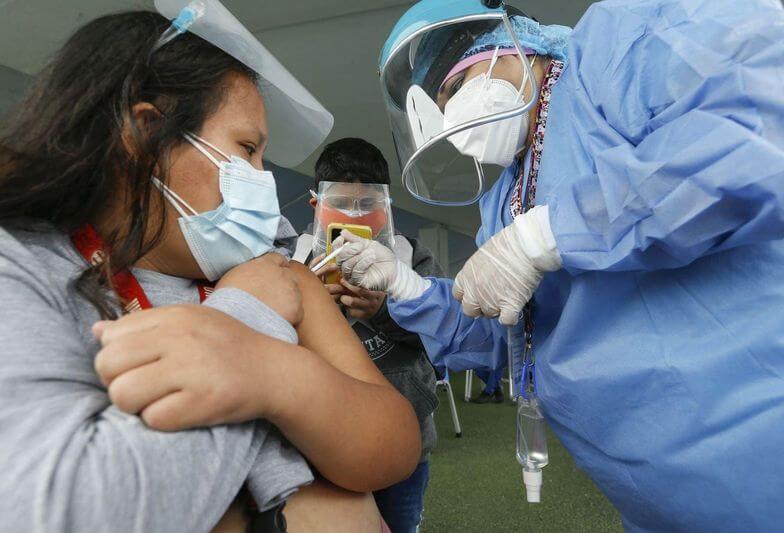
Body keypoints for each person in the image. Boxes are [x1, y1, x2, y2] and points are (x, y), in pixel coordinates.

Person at [334, 0, 784, 530]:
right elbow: (504, 332)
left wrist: (552, 233)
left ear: (513, 44)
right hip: (652, 496)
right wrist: (406, 286)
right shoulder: (501, 201)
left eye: (454, 89)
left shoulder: (618, 49)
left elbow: (750, 136)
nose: (452, 117)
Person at [0, 5, 421, 532]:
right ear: (147, 136)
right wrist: (245, 323)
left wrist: (274, 375)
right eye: (246, 150)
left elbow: (395, 442)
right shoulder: (14, 266)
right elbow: (49, 509)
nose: (262, 180)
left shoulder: (275, 272)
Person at [291, 138, 442, 533]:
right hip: (317, 440)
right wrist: (312, 304)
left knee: (400, 524)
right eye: (341, 202)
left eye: (368, 204)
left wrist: (384, 312)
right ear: (316, 205)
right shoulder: (292, 260)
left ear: (387, 207)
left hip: (404, 444)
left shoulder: (413, 257)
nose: (354, 214)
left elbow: (442, 336)